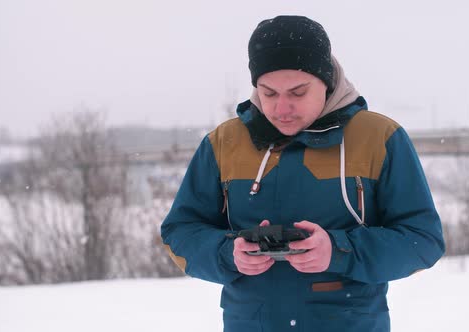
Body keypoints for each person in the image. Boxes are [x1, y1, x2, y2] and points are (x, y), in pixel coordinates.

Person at [161, 15, 445, 332]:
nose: (282, 108)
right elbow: (180, 234)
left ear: (326, 80)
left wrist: (339, 251)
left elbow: (423, 240)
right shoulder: (223, 143)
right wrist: (229, 254)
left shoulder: (380, 137)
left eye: (297, 93)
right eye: (269, 93)